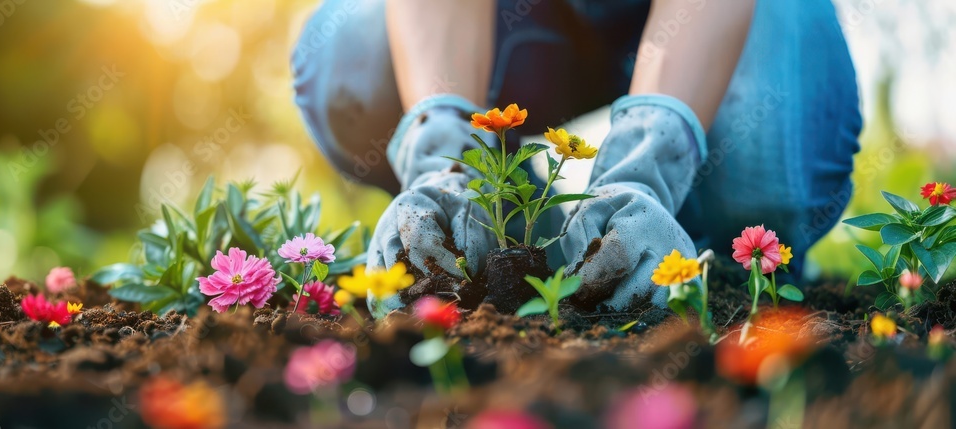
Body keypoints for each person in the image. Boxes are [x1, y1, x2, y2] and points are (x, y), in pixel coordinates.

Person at [291, 0, 861, 312]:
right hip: (534, 19)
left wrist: (646, 171)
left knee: (768, 186)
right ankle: (520, 248)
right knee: (347, 60)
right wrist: (445, 162)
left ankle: (673, 253)